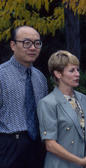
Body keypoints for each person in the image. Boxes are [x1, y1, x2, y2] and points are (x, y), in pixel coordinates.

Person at [37, 50, 86, 168]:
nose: (77, 74)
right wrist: (80, 161)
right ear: (58, 74)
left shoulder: (83, 99)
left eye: (77, 69)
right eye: (72, 70)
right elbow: (50, 144)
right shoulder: (47, 103)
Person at [0, 25, 48, 168]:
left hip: (37, 147)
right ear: (13, 45)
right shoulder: (1, 75)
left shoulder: (40, 78)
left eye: (37, 43)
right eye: (26, 43)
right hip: (9, 146)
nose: (33, 48)